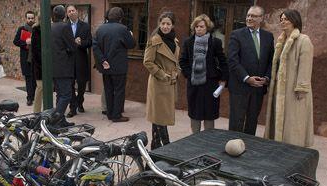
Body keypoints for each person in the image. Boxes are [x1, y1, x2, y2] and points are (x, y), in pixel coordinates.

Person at [264, 9, 314, 147]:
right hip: (279, 90)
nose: (283, 21)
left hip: (294, 90)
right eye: (281, 19)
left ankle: (292, 149)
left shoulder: (303, 40)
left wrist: (301, 88)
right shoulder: (281, 41)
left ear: (294, 21)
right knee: (280, 119)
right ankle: (278, 146)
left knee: (293, 121)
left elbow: (306, 66)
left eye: (286, 19)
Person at [227, 5, 274, 136]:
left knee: (252, 122)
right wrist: (247, 78)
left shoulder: (268, 37)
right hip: (239, 87)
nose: (249, 18)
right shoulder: (236, 35)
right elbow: (232, 60)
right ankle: (233, 149)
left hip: (258, 88)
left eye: (253, 16)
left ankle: (248, 151)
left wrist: (266, 78)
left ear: (261, 18)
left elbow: (272, 61)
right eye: (248, 15)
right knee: (236, 123)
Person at [179, 14, 228, 134]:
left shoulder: (215, 42)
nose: (199, 29)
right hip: (194, 84)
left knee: (209, 113)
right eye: (196, 26)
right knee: (195, 113)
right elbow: (182, 61)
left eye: (201, 26)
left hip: (210, 83)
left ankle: (208, 139)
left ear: (207, 27)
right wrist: (190, 75)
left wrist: (224, 78)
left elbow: (223, 61)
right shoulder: (188, 42)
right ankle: (195, 138)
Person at [143, 12, 180, 149]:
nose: (165, 26)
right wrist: (162, 74)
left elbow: (176, 63)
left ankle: (157, 146)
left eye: (168, 24)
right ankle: (165, 146)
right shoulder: (155, 40)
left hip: (169, 84)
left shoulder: (174, 41)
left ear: (172, 25)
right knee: (159, 119)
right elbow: (147, 62)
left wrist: (176, 72)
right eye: (163, 23)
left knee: (160, 119)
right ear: (159, 24)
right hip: (158, 84)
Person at [92, 7, 135, 122]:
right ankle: (116, 115)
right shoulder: (123, 29)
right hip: (119, 67)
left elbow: (95, 47)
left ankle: (110, 114)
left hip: (105, 67)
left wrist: (102, 60)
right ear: (121, 17)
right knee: (119, 90)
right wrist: (130, 34)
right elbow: (131, 44)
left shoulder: (100, 29)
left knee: (108, 90)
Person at [65, 4, 92, 118]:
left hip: (81, 60)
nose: (71, 12)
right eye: (69, 11)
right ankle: (73, 108)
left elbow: (90, 42)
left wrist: (81, 43)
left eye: (73, 10)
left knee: (81, 84)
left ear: (77, 11)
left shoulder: (85, 26)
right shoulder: (64, 26)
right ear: (67, 13)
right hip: (68, 60)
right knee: (70, 85)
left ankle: (80, 101)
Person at [51, 5, 76, 126]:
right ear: (64, 15)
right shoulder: (65, 26)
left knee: (60, 94)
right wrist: (73, 44)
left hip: (54, 66)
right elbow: (72, 47)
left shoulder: (50, 27)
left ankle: (61, 120)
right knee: (66, 95)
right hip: (64, 66)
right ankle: (55, 122)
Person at [13, 11, 37, 106]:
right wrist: (25, 43)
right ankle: (29, 98)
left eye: (32, 18)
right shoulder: (21, 29)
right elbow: (15, 41)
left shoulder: (37, 29)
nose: (30, 20)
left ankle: (34, 95)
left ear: (34, 18)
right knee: (28, 79)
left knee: (35, 79)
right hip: (26, 58)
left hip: (36, 58)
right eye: (29, 18)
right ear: (26, 19)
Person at [31, 22, 43, 112]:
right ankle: (36, 111)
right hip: (39, 65)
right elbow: (35, 50)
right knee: (40, 87)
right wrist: (40, 64)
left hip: (50, 65)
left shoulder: (51, 28)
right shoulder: (36, 31)